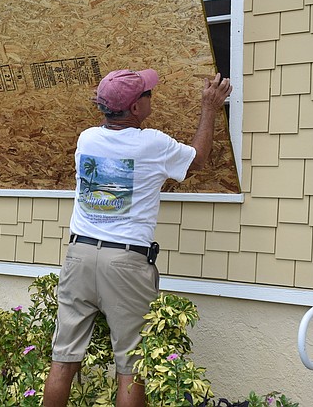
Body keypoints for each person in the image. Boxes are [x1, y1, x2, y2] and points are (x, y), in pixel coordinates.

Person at [42, 68, 232, 407]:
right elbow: (198, 160)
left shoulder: (87, 139)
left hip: (80, 256)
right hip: (125, 264)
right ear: (133, 109)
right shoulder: (152, 144)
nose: (151, 96)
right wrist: (209, 107)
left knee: (63, 360)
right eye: (146, 93)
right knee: (131, 367)